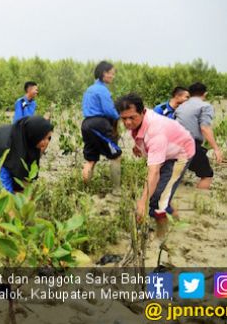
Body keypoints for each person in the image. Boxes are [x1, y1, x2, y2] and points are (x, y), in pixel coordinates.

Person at [116, 93, 195, 238]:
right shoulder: (142, 121)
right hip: (168, 150)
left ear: (142, 111)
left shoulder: (155, 132)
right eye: (123, 118)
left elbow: (154, 173)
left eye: (132, 117)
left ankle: (162, 236)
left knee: (157, 199)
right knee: (160, 195)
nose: (127, 123)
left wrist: (142, 202)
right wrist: (138, 146)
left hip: (181, 153)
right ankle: (174, 218)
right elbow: (139, 133)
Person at [0, 116, 53, 193]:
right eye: (43, 139)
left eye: (49, 138)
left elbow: (28, 173)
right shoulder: (5, 149)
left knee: (20, 184)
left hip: (12, 145)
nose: (46, 143)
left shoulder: (29, 137)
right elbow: (3, 181)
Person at [81, 61, 122, 193]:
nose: (113, 76)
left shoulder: (89, 89)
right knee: (116, 156)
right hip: (99, 125)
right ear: (104, 73)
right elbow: (109, 110)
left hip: (86, 124)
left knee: (90, 160)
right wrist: (118, 117)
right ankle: (116, 190)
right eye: (111, 73)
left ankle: (85, 191)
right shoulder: (102, 90)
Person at [174, 82, 223, 189]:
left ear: (190, 94)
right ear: (205, 94)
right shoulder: (205, 106)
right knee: (207, 175)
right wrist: (216, 149)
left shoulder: (180, 107)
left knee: (175, 177)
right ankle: (200, 202)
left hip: (173, 145)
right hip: (189, 144)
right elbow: (205, 128)